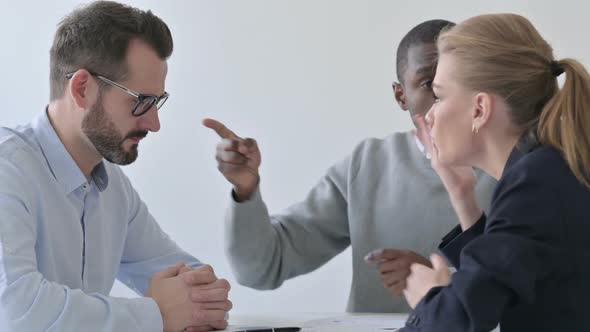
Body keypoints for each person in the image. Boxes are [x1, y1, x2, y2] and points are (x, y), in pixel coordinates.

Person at [204, 20, 497, 313]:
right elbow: (262, 268)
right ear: (401, 96)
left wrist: (438, 282)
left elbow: (525, 284)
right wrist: (245, 190)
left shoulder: (514, 166)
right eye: (428, 84)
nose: (444, 97)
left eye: (460, 80)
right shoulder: (367, 165)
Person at [0, 2, 231, 331]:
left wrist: (200, 299)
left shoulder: (113, 189)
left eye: (157, 102)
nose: (154, 124)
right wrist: (156, 315)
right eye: (141, 102)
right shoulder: (7, 171)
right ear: (82, 89)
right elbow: (17, 313)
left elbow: (194, 288)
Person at [401, 13, 590, 332]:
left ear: (480, 109)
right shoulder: (547, 170)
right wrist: (462, 194)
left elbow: (462, 319)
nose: (429, 115)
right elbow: (500, 278)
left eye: (440, 96)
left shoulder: (536, 183)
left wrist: (429, 298)